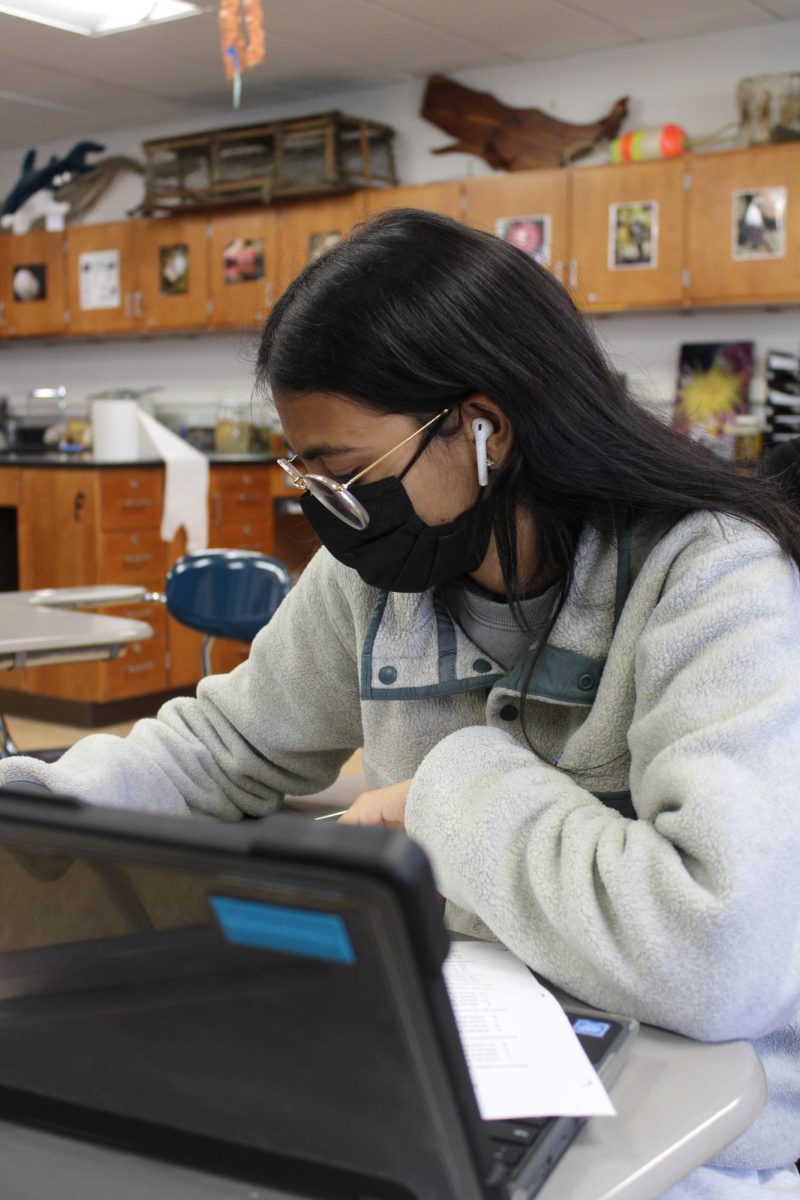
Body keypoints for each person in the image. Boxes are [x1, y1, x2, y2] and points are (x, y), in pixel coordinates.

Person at [3, 209, 800, 1199]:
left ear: (481, 429)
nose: (329, 515)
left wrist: (441, 791)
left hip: (690, 1127)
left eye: (346, 475)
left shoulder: (709, 576)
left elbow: (719, 955)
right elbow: (218, 748)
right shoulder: (379, 579)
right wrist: (30, 803)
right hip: (450, 1063)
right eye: (305, 475)